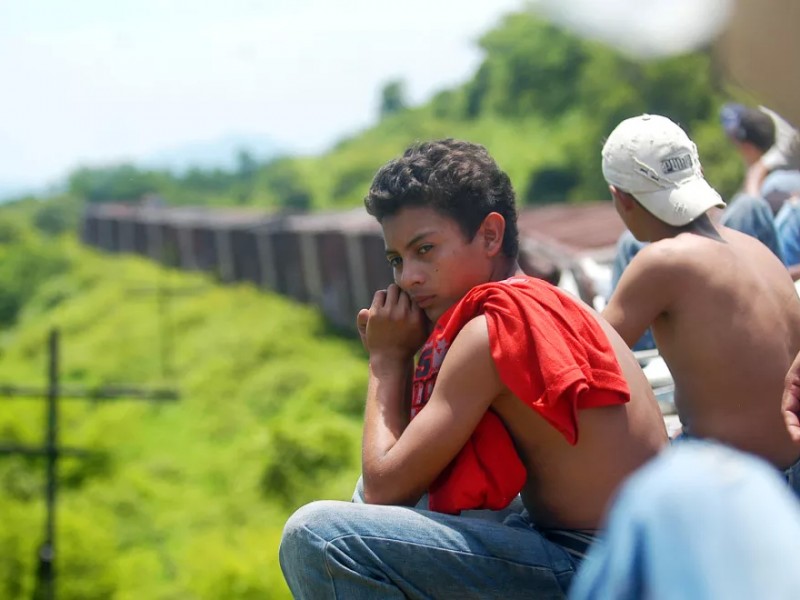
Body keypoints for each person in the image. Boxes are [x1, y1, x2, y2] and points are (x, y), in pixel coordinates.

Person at [279, 138, 668, 598]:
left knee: (321, 537)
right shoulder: (556, 300)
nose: (407, 278)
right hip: (644, 551)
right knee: (398, 487)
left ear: (489, 235)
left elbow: (387, 491)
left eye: (425, 250)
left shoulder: (489, 331)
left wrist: (387, 361)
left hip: (598, 568)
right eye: (396, 260)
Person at [601, 114, 800, 489]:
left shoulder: (662, 261)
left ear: (621, 198)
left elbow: (584, 356)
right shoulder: (755, 248)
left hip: (741, 481)